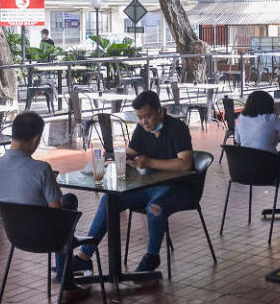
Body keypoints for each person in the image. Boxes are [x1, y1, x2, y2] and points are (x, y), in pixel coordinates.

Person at [72, 90, 194, 273]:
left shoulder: (178, 129)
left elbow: (185, 164)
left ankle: (152, 257)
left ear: (160, 112)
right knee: (108, 201)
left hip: (176, 187)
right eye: (140, 117)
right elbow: (131, 152)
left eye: (148, 116)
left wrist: (149, 162)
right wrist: (124, 160)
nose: (144, 122)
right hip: (147, 186)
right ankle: (84, 256)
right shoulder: (142, 129)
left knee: (154, 208)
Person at [0, 111, 87, 302]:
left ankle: (65, 275)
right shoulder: (41, 169)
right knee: (69, 200)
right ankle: (67, 284)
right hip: (47, 238)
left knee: (62, 208)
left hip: (16, 237)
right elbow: (56, 209)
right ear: (36, 139)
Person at [234, 90, 280, 223]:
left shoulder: (241, 119)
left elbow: (238, 140)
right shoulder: (271, 119)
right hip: (269, 172)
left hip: (244, 172)